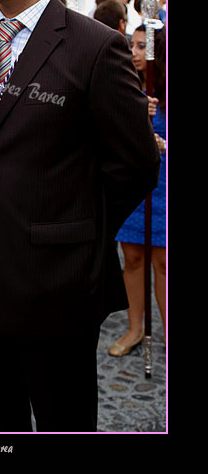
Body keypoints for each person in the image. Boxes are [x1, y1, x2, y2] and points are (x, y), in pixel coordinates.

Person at [0, 0, 160, 432]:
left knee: (64, 421)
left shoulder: (95, 46)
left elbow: (133, 164)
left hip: (58, 287)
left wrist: (77, 236)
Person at [108, 26, 166, 356]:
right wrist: (133, 116)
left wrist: (161, 143)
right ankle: (134, 328)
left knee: (162, 263)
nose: (136, 52)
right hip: (131, 182)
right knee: (131, 258)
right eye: (132, 44)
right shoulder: (123, 83)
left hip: (163, 187)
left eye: (143, 46)